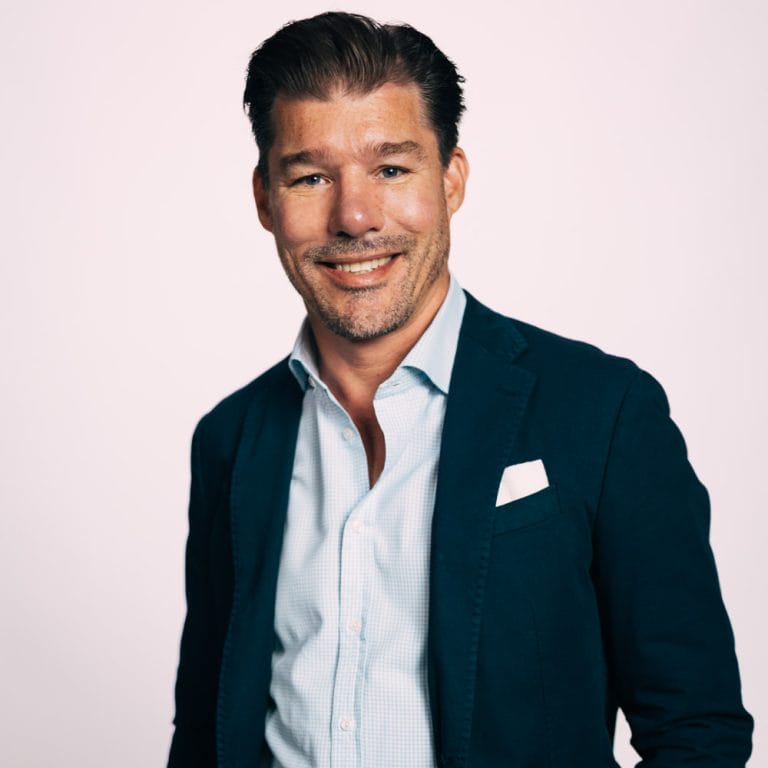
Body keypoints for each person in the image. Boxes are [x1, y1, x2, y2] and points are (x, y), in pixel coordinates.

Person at [168, 12, 752, 768]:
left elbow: (697, 732)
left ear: (451, 179)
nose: (354, 217)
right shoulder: (230, 439)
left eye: (391, 169)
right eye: (311, 177)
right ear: (264, 198)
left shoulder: (603, 413)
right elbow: (205, 731)